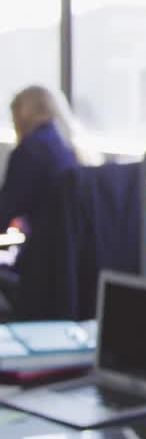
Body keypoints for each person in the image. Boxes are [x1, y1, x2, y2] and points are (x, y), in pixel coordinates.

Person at [0, 86, 99, 308]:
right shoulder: (67, 148)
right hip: (70, 271)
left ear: (23, 114)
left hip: (40, 270)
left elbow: (4, 214)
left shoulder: (29, 151)